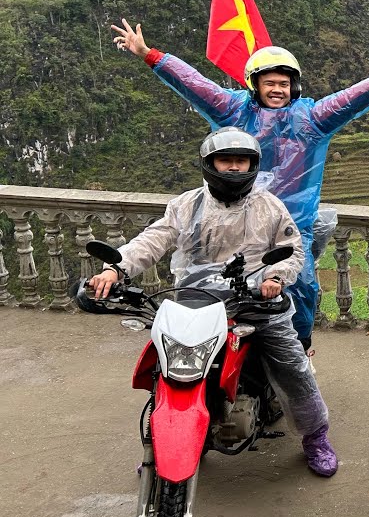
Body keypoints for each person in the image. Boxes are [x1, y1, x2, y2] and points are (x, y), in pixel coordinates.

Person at [110, 18, 369, 349]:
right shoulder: (233, 111)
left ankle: (299, 349)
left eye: (284, 84)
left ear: (293, 87)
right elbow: (195, 85)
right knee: (207, 283)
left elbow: (347, 101)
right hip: (232, 219)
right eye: (269, 82)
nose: (277, 89)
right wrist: (149, 55)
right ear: (254, 85)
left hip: (289, 228)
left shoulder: (312, 119)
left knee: (301, 285)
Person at [86, 128, 339, 476]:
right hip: (194, 300)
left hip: (254, 301)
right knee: (166, 363)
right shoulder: (186, 205)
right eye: (226, 160)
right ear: (209, 164)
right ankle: (170, 435)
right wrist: (115, 269)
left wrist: (274, 278)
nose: (234, 168)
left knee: (292, 365)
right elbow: (153, 240)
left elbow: (292, 250)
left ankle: (315, 436)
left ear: (253, 165)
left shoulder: (268, 205)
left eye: (242, 161)